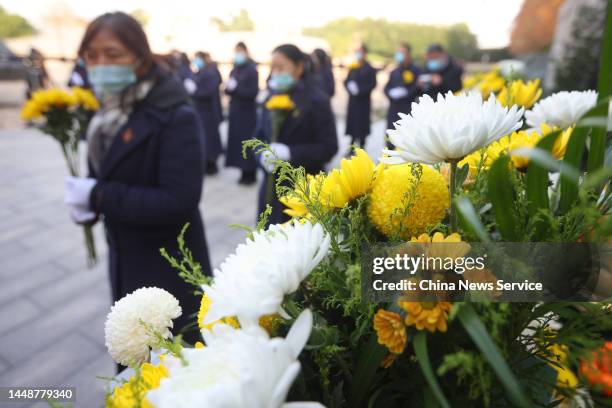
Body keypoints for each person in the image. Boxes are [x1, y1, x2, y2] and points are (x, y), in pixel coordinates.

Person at [64, 11, 211, 343]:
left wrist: (99, 196)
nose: (100, 64)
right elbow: (103, 175)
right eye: (91, 56)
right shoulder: (107, 110)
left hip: (167, 265)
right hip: (124, 254)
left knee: (167, 362)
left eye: (112, 54)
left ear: (140, 57)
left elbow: (179, 201)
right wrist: (88, 204)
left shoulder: (175, 114)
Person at [256, 44, 338, 225]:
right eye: (272, 67)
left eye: (281, 67)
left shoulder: (317, 101)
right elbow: (258, 137)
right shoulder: (270, 97)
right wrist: (261, 155)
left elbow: (329, 146)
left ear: (299, 67)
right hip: (270, 190)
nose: (275, 72)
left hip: (302, 189)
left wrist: (290, 152)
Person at [225, 42, 259, 185]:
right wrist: (228, 88)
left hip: (247, 112)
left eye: (240, 51)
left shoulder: (252, 70)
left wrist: (236, 89)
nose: (238, 54)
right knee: (237, 144)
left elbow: (252, 92)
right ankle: (242, 170)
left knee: (247, 142)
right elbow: (228, 89)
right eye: (236, 51)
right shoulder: (235, 69)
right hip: (235, 111)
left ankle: (250, 172)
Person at [191, 51, 223, 175]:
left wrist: (195, 91)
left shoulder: (210, 72)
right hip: (199, 110)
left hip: (208, 111)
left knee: (209, 139)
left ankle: (211, 163)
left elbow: (209, 91)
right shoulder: (198, 72)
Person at [384, 43, 421, 148]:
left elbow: (420, 89)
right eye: (398, 52)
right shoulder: (394, 71)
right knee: (391, 137)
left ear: (409, 54)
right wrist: (391, 93)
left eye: (402, 52)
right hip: (393, 108)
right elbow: (386, 88)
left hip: (408, 108)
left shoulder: (416, 70)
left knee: (406, 139)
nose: (399, 55)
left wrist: (407, 92)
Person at [344, 44, 377, 148]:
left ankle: (362, 147)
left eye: (361, 51)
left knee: (362, 126)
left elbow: (372, 84)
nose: (359, 54)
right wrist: (350, 87)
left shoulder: (370, 68)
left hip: (363, 101)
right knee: (353, 125)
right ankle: (351, 148)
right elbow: (346, 81)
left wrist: (360, 90)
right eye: (357, 51)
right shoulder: (353, 67)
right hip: (353, 101)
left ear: (365, 53)